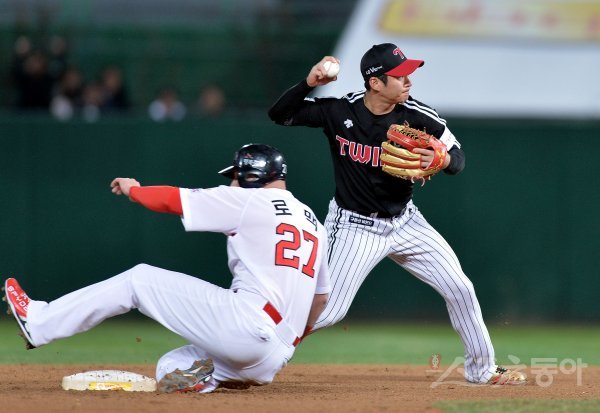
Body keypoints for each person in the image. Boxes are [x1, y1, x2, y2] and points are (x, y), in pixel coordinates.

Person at [268, 43, 526, 385]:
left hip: (406, 222)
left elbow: (457, 156)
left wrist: (445, 160)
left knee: (460, 288)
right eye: (400, 76)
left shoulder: (418, 115)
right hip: (354, 226)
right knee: (328, 311)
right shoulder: (339, 111)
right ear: (375, 83)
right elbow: (280, 114)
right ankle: (248, 352)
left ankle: (482, 370)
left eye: (409, 74)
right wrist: (309, 83)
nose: (409, 81)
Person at [3, 143, 330, 393]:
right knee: (170, 367)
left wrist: (134, 190)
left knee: (138, 280)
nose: (232, 184)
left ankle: (39, 321)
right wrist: (285, 345)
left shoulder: (250, 200)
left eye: (234, 177)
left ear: (251, 176)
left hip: (245, 324)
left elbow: (175, 200)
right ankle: (213, 380)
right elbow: (321, 299)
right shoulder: (315, 225)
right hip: (273, 357)